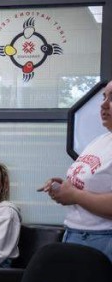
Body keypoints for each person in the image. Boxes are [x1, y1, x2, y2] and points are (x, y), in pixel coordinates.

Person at [40, 79, 112, 263]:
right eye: (104, 97)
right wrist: (62, 188)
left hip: (103, 240)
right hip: (75, 235)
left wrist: (74, 195)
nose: (103, 104)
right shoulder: (100, 140)